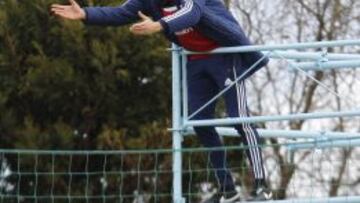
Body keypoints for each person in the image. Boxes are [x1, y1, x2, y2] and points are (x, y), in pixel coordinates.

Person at [51, 0, 273, 202]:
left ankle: (262, 187)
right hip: (196, 60)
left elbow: (192, 13)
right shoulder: (149, 2)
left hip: (225, 53)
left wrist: (158, 26)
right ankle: (228, 190)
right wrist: (86, 14)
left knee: (240, 118)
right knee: (199, 121)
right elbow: (121, 13)